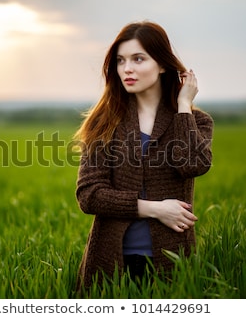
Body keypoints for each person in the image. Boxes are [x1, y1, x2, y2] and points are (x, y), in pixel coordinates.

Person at [73, 21, 214, 289]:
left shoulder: (197, 121)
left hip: (173, 260)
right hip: (111, 262)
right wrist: (156, 209)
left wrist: (184, 107)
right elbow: (89, 195)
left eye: (138, 59)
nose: (127, 68)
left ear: (162, 64)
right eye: (121, 60)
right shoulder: (103, 122)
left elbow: (193, 164)